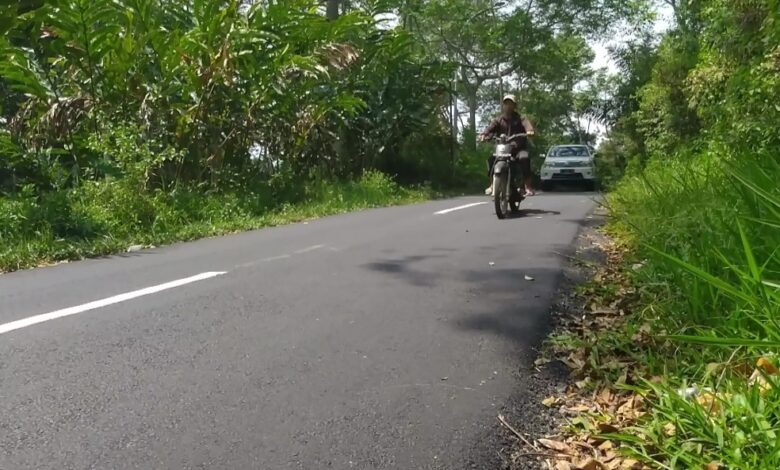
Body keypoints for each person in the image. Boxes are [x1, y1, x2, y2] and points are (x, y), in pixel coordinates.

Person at [478, 95, 536, 196]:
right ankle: (492, 184)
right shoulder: (498, 120)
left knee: (524, 158)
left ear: (514, 106)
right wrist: (484, 135)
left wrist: (529, 131)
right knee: (491, 159)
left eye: (511, 104)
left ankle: (527, 186)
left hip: (518, 149)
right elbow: (489, 129)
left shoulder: (521, 118)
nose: (508, 106)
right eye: (506, 103)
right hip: (503, 149)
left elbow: (528, 126)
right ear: (503, 105)